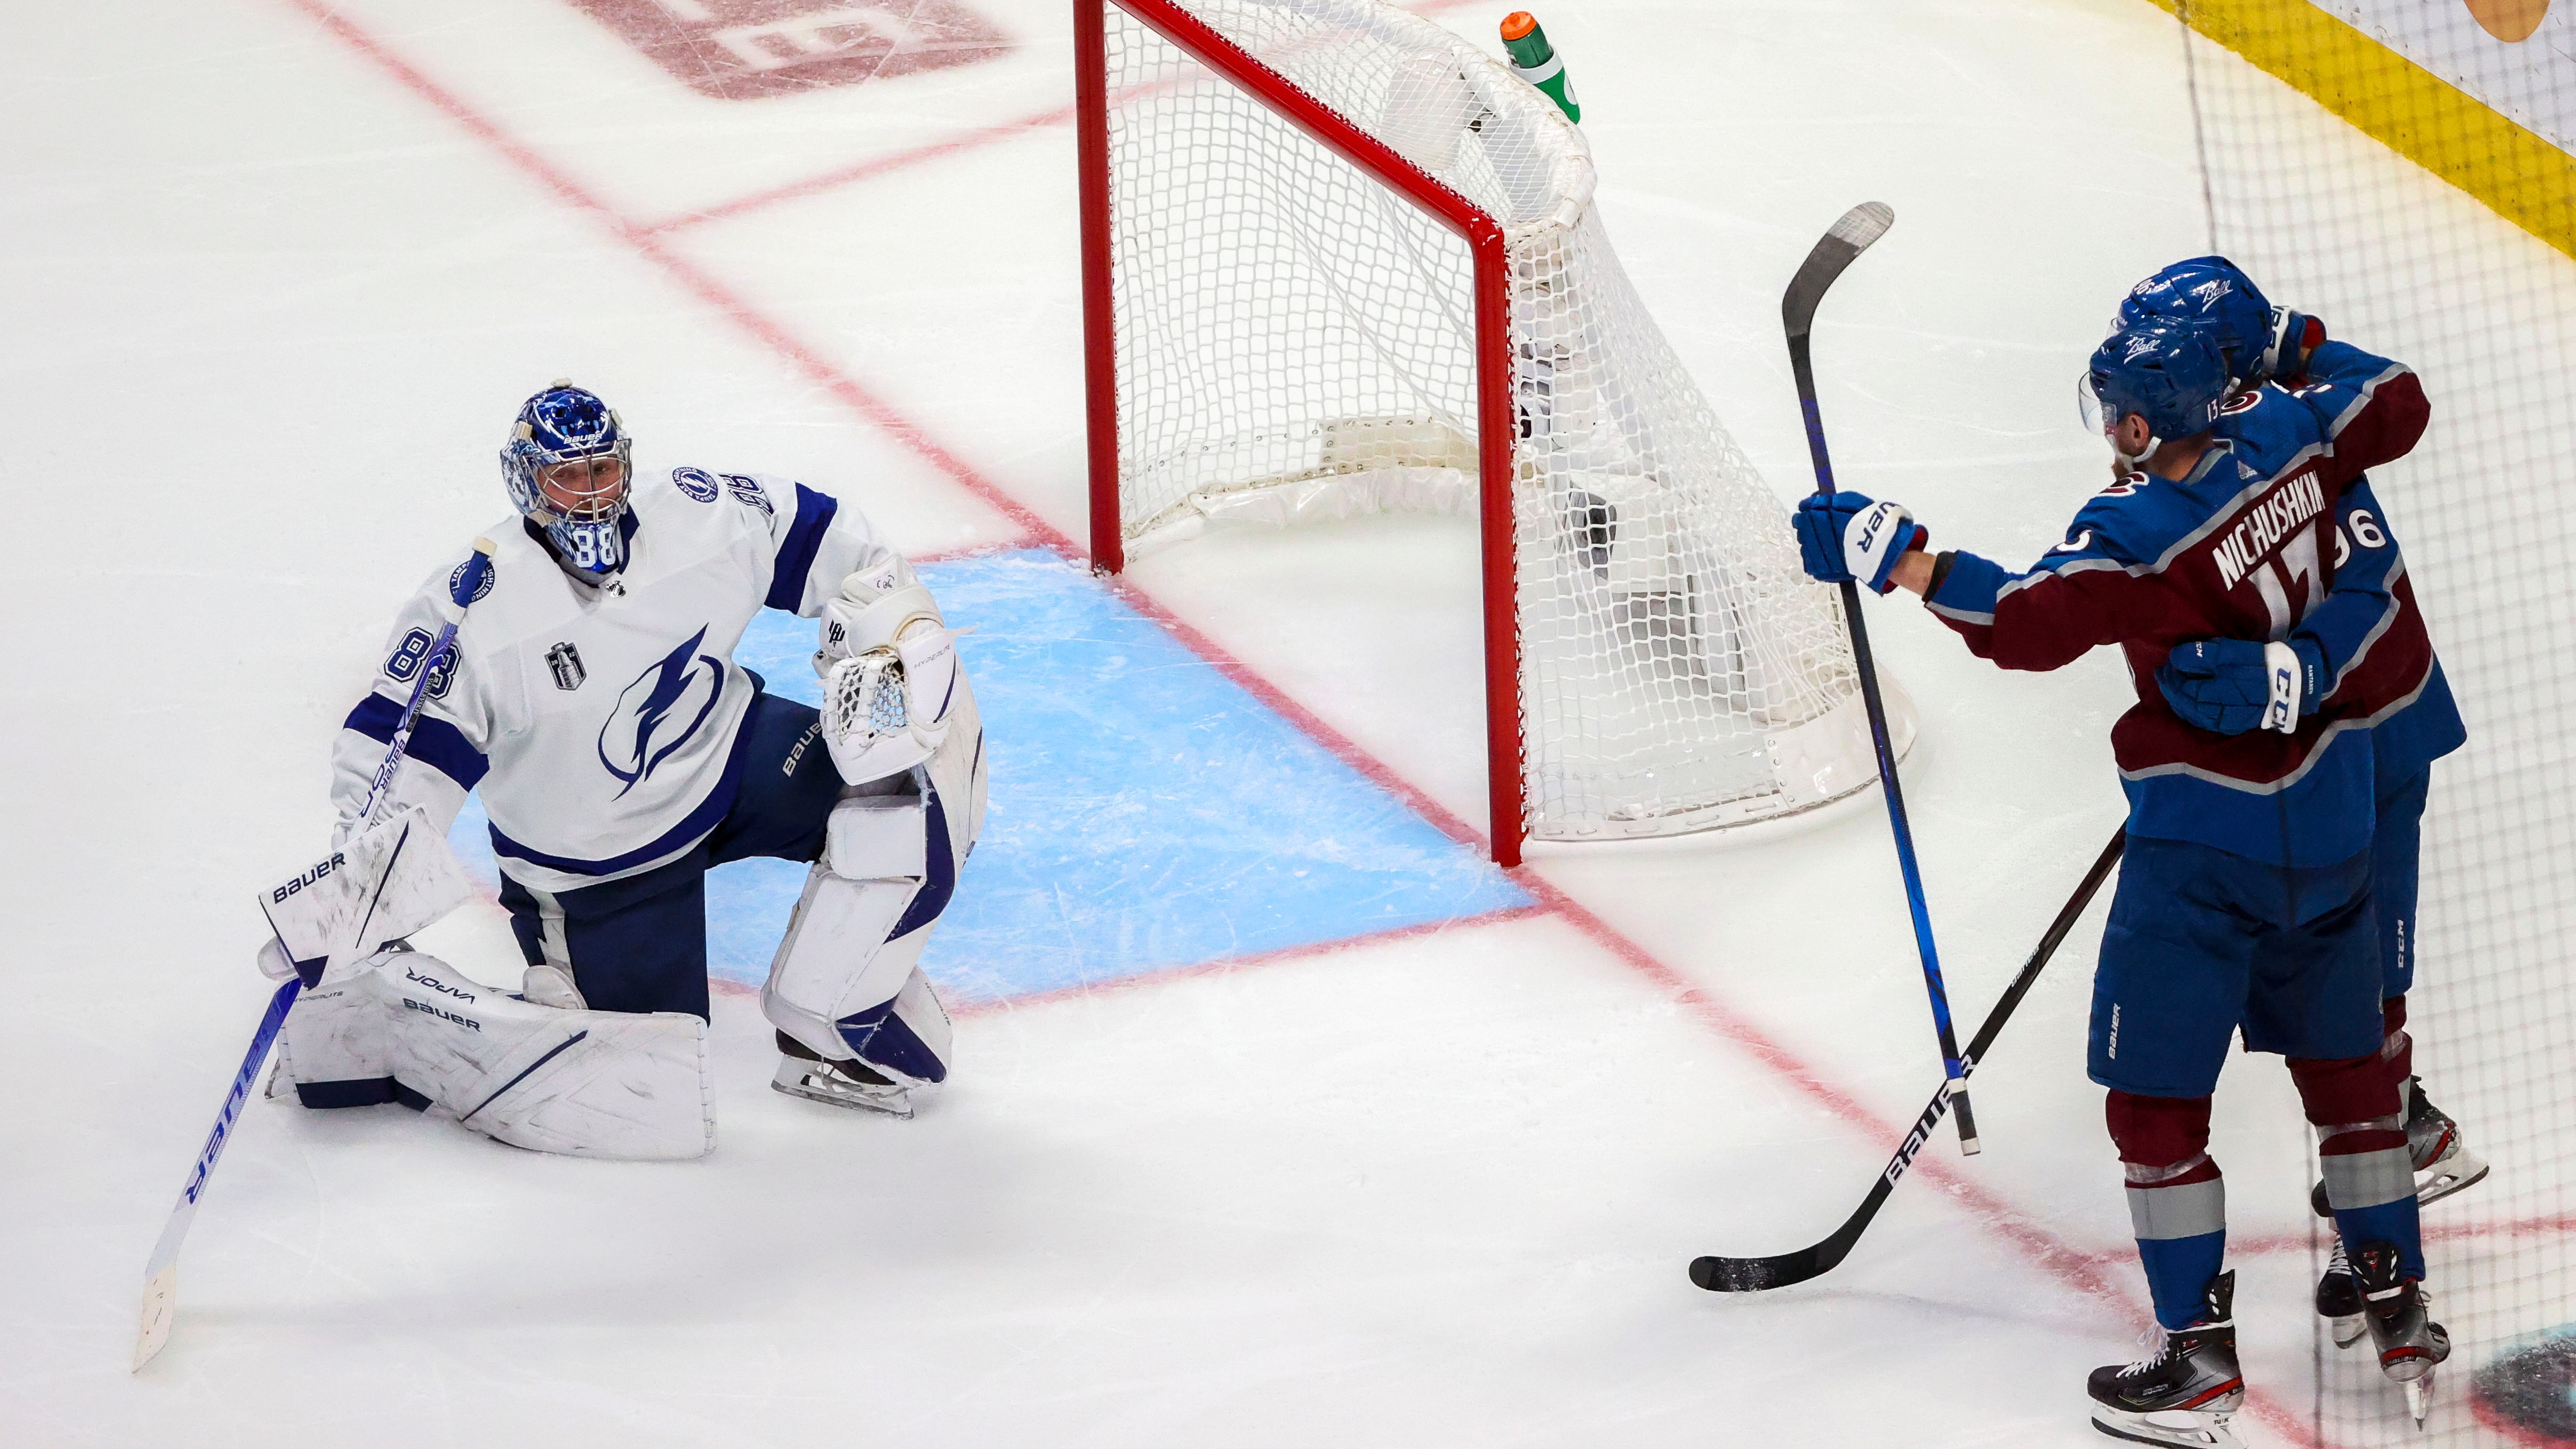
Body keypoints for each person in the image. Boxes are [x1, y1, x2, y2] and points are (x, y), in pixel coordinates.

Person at [1793, 317, 2445, 1444]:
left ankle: (2198, 1364)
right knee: (2348, 1072)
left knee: (2153, 1107)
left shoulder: (2134, 531)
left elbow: (2020, 623)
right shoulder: (2292, 429)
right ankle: (2396, 1305)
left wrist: (1896, 553)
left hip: (2206, 853)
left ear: (2143, 420)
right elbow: (2375, 491)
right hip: (2334, 816)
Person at [262, 381, 987, 1158]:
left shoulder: (703, 519)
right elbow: (400, 751)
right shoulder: (475, 611)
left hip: (735, 756)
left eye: (603, 470)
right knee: (649, 1084)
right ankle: (442, 1018)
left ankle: (829, 1018)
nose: (590, 494)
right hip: (598, 865)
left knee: (908, 789)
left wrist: (891, 628)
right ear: (524, 481)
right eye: (565, 476)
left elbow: (839, 545)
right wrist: (363, 873)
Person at [2115, 259, 2484, 1351]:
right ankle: (2394, 1145)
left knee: (2346, 985)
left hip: (2362, 744)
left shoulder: (2277, 441)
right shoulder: (2280, 431)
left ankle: (2396, 1146)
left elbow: (2399, 406)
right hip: (2335, 740)